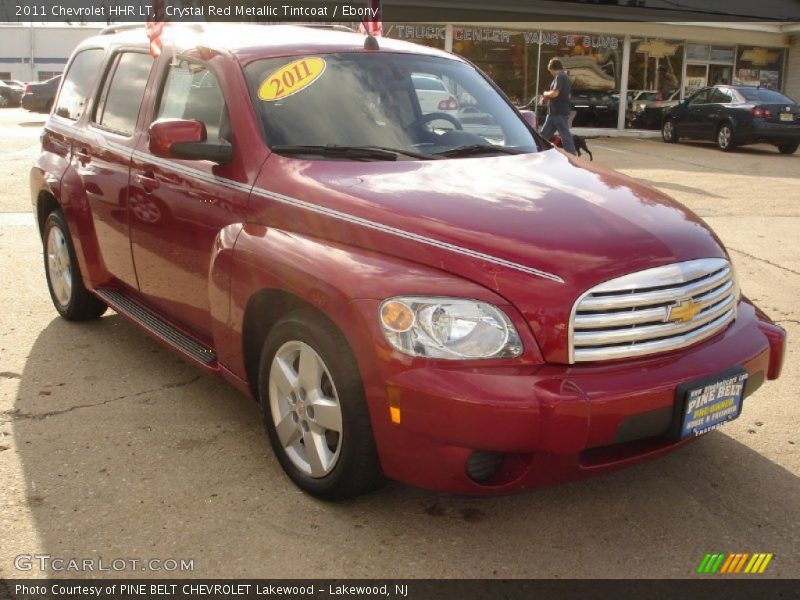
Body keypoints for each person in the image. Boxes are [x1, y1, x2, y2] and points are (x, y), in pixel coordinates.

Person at [541, 58, 577, 155]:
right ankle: (540, 150)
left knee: (564, 135)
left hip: (558, 112)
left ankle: (572, 155)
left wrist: (545, 93)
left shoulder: (560, 77)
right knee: (544, 134)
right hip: (555, 112)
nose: (551, 73)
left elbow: (555, 93)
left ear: (552, 68)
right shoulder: (566, 78)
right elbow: (567, 96)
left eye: (550, 71)